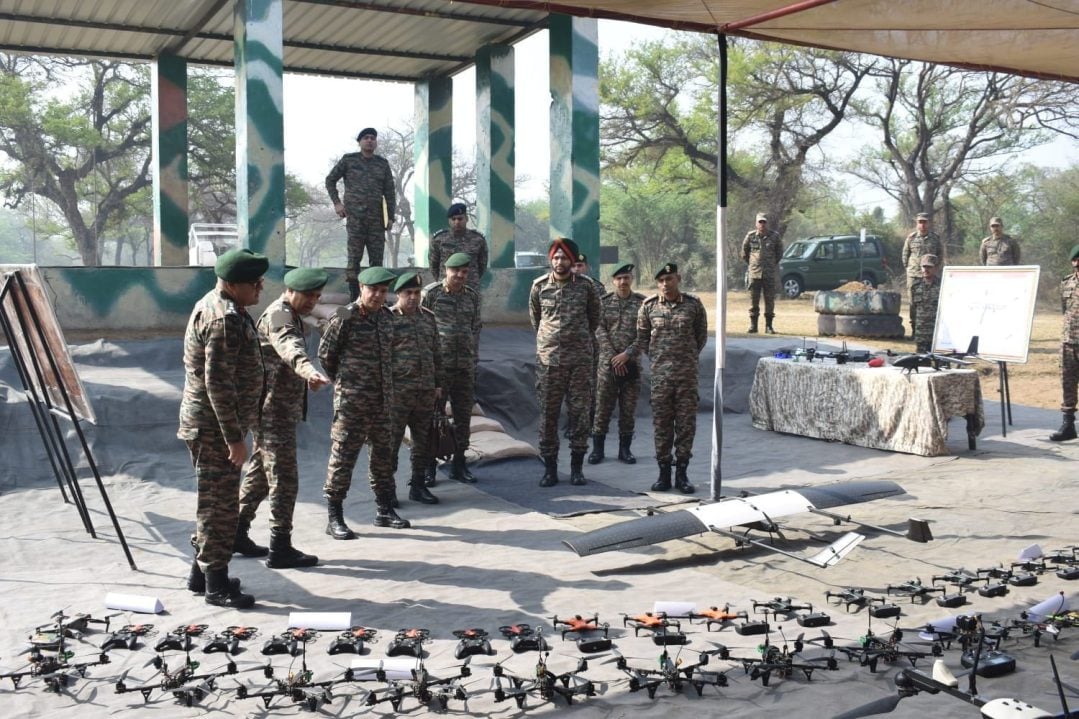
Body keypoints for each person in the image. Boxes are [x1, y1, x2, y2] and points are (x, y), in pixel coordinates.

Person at [178, 248, 268, 609]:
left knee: (214, 501)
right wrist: (234, 438)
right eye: (255, 283)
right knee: (219, 507)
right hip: (215, 429)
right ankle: (216, 585)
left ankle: (201, 574)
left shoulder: (219, 305)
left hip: (212, 425)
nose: (260, 288)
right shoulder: (223, 319)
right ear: (232, 284)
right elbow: (218, 383)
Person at [234, 267, 331, 570]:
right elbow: (290, 346)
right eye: (308, 295)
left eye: (317, 296)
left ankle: (233, 531)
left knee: (261, 476)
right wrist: (308, 370)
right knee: (285, 479)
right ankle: (280, 546)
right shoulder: (280, 316)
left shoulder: (292, 314)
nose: (312, 301)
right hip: (271, 412)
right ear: (290, 291)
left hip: (277, 410)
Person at [320, 266, 410, 536]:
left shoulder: (386, 317)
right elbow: (326, 355)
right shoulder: (344, 316)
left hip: (383, 403)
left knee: (383, 459)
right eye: (373, 290)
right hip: (352, 404)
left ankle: (384, 510)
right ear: (361, 288)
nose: (378, 296)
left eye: (383, 291)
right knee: (343, 458)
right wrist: (347, 382)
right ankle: (334, 517)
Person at [529, 237, 600, 487]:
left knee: (579, 414)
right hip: (549, 362)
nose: (559, 262)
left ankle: (577, 469)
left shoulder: (587, 287)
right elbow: (536, 320)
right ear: (551, 259)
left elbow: (594, 319)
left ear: (573, 260)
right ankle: (550, 469)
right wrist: (550, 342)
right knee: (548, 415)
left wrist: (576, 340)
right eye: (556, 257)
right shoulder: (539, 286)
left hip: (579, 361)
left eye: (564, 257)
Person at [635, 263, 708, 494]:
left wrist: (684, 359)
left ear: (678, 278)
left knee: (686, 425)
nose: (666, 284)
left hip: (686, 377)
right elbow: (643, 339)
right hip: (661, 378)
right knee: (662, 426)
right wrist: (660, 359)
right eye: (661, 281)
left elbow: (701, 337)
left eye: (670, 279)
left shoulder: (693, 305)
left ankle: (682, 474)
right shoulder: (648, 306)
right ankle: (663, 473)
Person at [422, 253, 482, 483]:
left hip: (464, 367)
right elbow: (422, 327)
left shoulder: (473, 297)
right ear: (446, 270)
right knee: (433, 416)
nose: (459, 276)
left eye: (464, 272)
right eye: (455, 271)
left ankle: (459, 463)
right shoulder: (431, 294)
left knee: (463, 417)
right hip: (439, 368)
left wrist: (473, 359)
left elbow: (475, 328)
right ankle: (429, 467)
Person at [388, 272, 444, 503]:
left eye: (417, 293)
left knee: (423, 443)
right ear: (399, 294)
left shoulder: (428, 317)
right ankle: (387, 490)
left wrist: (438, 384)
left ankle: (418, 485)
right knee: (390, 445)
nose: (413, 297)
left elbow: (436, 353)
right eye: (408, 293)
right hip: (397, 394)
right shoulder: (388, 318)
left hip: (424, 392)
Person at [325, 127, 396, 300]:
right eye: (366, 138)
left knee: (376, 261)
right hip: (355, 219)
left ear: (376, 142)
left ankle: (375, 296)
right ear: (360, 142)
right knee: (354, 259)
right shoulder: (349, 160)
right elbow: (330, 180)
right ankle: (354, 297)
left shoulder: (382, 163)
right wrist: (337, 204)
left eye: (373, 138)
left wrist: (391, 217)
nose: (370, 140)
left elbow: (390, 192)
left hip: (376, 221)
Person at [589, 263, 646, 465]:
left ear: (632, 279)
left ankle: (625, 450)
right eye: (619, 278)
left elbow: (645, 333)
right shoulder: (603, 302)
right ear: (613, 281)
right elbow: (598, 328)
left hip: (631, 364)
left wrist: (627, 354)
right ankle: (598, 450)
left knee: (628, 409)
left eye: (627, 278)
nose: (623, 282)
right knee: (602, 407)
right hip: (607, 364)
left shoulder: (642, 304)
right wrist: (614, 355)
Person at [1050, 245, 1079, 442]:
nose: (1077, 264)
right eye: (1075, 260)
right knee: (1067, 383)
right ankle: (1068, 425)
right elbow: (1065, 311)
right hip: (1069, 342)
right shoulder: (1066, 283)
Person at [902, 212, 947, 336]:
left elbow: (940, 255)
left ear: (929, 223)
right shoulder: (911, 238)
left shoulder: (935, 238)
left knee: (930, 302)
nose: (922, 225)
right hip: (914, 275)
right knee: (913, 303)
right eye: (920, 222)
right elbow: (905, 256)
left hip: (930, 275)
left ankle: (931, 330)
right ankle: (915, 330)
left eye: (925, 222)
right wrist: (910, 269)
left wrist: (935, 270)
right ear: (917, 224)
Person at [429, 203, 488, 291]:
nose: (457, 222)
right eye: (453, 219)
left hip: (470, 288)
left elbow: (482, 265)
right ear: (449, 221)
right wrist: (443, 279)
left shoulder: (478, 239)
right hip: (446, 288)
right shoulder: (439, 239)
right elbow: (433, 265)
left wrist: (471, 278)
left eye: (460, 219)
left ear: (466, 219)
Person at [741, 213, 783, 334]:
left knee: (769, 300)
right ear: (756, 223)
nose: (762, 224)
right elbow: (744, 253)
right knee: (753, 300)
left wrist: (770, 264)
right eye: (760, 222)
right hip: (754, 273)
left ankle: (769, 326)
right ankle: (753, 326)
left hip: (769, 274)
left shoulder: (774, 236)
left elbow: (779, 253)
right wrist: (753, 264)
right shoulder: (751, 236)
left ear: (767, 223)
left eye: (764, 222)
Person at [911, 254, 942, 354]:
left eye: (929, 267)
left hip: (937, 333)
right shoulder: (915, 285)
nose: (926, 270)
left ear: (936, 268)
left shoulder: (942, 284)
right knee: (922, 364)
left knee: (941, 364)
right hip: (921, 333)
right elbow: (913, 308)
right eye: (924, 267)